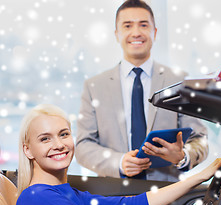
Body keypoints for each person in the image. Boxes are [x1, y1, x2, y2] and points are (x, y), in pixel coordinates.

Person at [16, 104, 221, 205]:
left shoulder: (64, 193)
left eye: (64, 134)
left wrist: (200, 176)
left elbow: (135, 204)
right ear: (28, 150)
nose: (59, 144)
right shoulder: (38, 197)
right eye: (45, 139)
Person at [75, 0, 208, 181]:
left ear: (154, 32)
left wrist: (183, 156)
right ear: (117, 34)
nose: (136, 32)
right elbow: (83, 146)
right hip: (113, 195)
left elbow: (200, 139)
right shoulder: (94, 86)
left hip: (165, 194)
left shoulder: (179, 82)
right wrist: (119, 161)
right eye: (127, 25)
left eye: (143, 25)